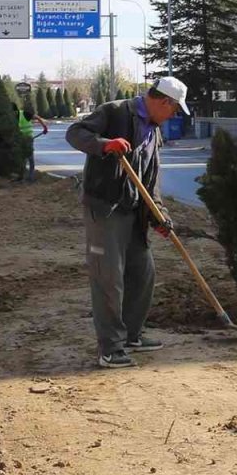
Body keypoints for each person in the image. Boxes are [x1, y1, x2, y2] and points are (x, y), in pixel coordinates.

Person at [65, 77, 189, 369]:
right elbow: (75, 133)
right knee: (109, 278)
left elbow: (150, 182)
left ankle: (131, 334)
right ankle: (110, 348)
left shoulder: (154, 133)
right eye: (174, 110)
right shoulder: (116, 112)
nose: (175, 115)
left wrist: (159, 216)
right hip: (105, 208)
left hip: (134, 212)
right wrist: (105, 144)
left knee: (142, 273)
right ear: (163, 102)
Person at [16, 104, 49, 182]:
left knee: (28, 158)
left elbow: (37, 117)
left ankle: (28, 177)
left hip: (28, 139)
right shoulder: (19, 115)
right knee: (25, 158)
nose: (31, 118)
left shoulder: (27, 114)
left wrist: (45, 127)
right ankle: (22, 176)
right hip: (21, 139)